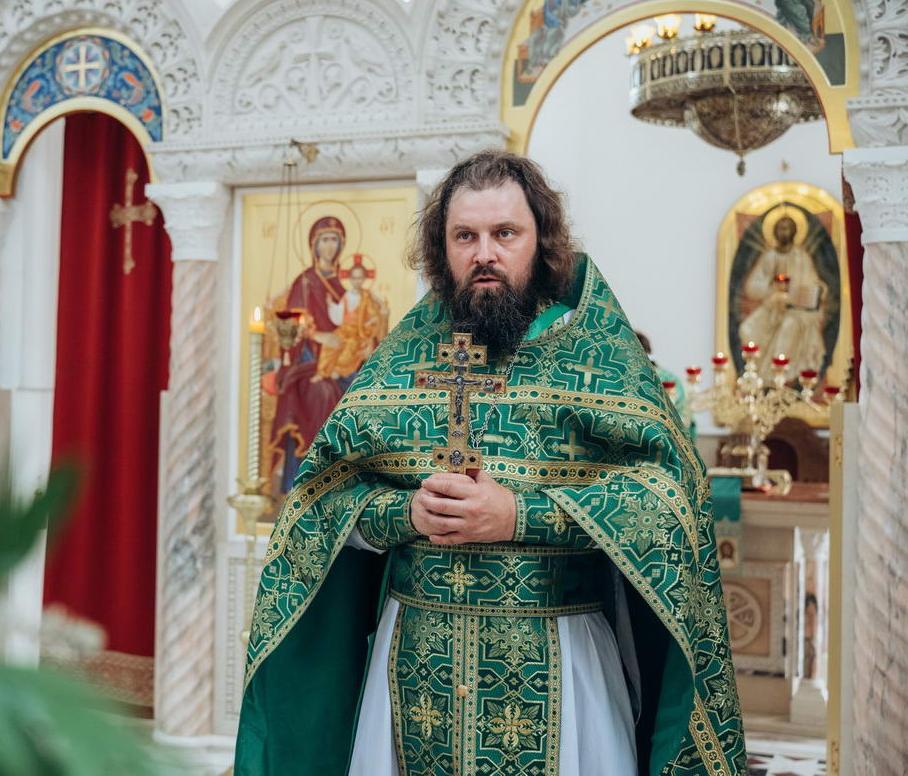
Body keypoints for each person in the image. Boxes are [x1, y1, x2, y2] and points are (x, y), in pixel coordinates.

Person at [235, 151, 744, 776]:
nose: (485, 254)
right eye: (465, 236)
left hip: (561, 660)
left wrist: (520, 515)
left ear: (542, 241)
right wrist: (406, 513)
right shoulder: (401, 360)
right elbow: (320, 503)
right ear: (442, 247)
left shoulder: (595, 352)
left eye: (505, 233)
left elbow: (667, 502)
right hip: (413, 667)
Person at [268, 216, 351, 497]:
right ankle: (306, 481)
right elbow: (291, 329)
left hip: (342, 361)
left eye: (334, 240)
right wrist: (320, 338)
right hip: (307, 364)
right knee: (323, 392)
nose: (329, 246)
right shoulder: (305, 282)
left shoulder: (344, 284)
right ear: (314, 245)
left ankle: (346, 481)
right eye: (324, 240)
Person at [737, 211, 826, 382]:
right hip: (772, 307)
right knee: (746, 329)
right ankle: (759, 378)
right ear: (774, 232)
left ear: (794, 232)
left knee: (788, 327)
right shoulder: (769, 257)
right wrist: (772, 288)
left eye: (787, 228)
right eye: (780, 228)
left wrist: (799, 292)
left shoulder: (801, 258)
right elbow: (752, 287)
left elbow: (812, 285)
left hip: (796, 311)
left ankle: (778, 380)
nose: (783, 232)